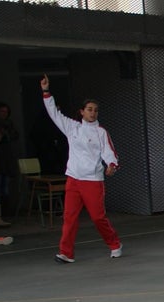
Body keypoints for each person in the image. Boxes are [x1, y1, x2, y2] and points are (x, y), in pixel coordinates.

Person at [41, 75, 123, 263]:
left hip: (93, 181)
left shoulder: (101, 132)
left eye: (95, 110)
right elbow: (54, 113)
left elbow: (109, 153)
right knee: (69, 218)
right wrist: (46, 92)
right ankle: (66, 253)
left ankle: (114, 243)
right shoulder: (72, 127)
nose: (93, 113)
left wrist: (112, 166)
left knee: (97, 218)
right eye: (89, 110)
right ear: (82, 112)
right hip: (73, 179)